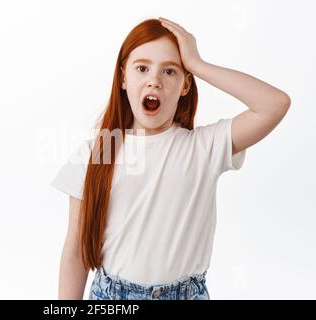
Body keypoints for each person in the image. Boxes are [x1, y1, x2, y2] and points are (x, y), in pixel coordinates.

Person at [51, 17, 291, 300]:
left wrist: (198, 64)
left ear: (186, 85)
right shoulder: (100, 150)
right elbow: (75, 252)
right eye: (142, 68)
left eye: (169, 72)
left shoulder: (204, 147)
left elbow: (274, 105)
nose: (154, 80)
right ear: (124, 78)